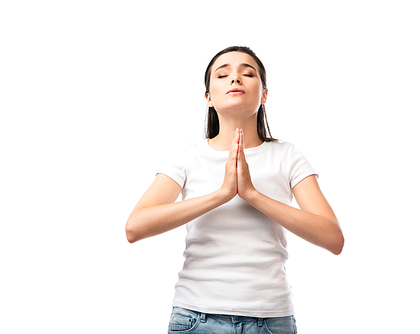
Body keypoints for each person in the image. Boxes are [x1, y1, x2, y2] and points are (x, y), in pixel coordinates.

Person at [126, 46, 344, 334]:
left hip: (272, 320)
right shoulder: (187, 155)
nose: (235, 79)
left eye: (248, 73)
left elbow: (333, 238)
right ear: (209, 98)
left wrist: (252, 194)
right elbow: (135, 228)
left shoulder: (287, 156)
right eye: (223, 74)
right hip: (196, 318)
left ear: (264, 94)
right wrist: (221, 194)